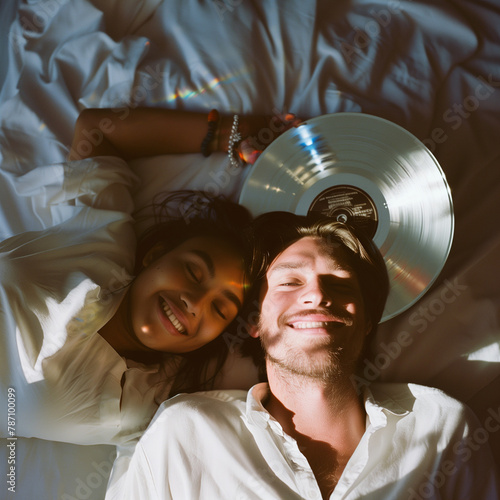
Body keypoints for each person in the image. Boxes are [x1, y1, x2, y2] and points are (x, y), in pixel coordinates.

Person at [105, 212, 499, 500]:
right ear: (254, 322)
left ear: (366, 321)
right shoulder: (188, 431)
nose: (317, 294)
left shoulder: (442, 428)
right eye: (290, 281)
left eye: (341, 283)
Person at [0, 106, 295, 446]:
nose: (195, 302)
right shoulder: (104, 244)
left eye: (220, 309)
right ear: (154, 256)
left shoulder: (157, 406)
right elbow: (100, 131)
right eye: (193, 271)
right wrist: (233, 131)